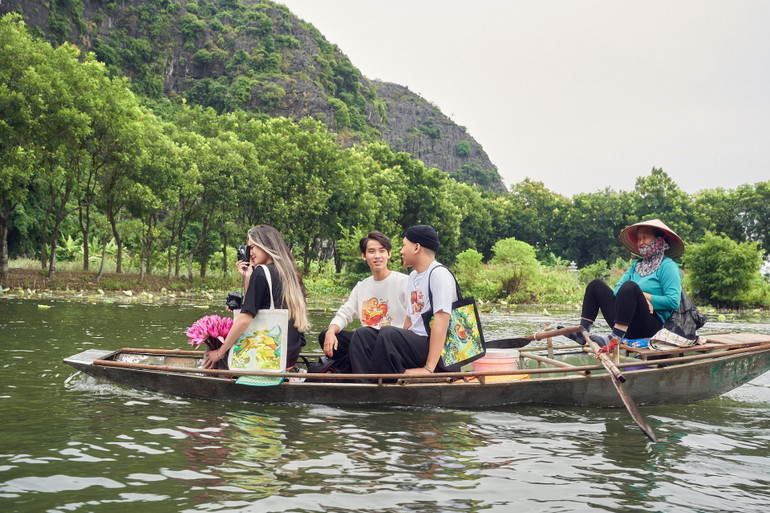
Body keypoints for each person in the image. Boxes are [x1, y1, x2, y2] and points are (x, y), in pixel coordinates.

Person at [349, 224, 457, 376]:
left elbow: (442, 321)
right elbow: (409, 318)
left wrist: (428, 368)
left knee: (387, 334)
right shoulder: (413, 276)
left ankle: (388, 383)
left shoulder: (439, 274)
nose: (401, 251)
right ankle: (365, 385)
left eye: (404, 245)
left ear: (416, 247)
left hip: (439, 352)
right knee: (363, 335)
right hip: (416, 343)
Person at [203, 225, 309, 370]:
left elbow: (246, 317)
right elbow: (256, 306)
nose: (250, 253)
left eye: (253, 247)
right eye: (248, 248)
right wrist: (248, 278)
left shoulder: (261, 272)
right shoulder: (289, 272)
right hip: (289, 353)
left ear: (266, 245)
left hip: (269, 355)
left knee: (214, 348)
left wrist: (220, 353)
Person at [564, 219, 683, 346]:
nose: (641, 242)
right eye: (638, 239)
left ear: (659, 239)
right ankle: (582, 333)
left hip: (650, 326)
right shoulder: (636, 266)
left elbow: (673, 301)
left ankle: (614, 338)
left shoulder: (668, 266)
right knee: (596, 285)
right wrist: (639, 297)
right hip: (625, 322)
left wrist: (643, 296)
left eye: (645, 237)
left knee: (630, 287)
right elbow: (618, 289)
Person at [317, 231, 409, 373]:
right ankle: (356, 367)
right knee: (326, 335)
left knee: (362, 334)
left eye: (382, 251)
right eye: (371, 251)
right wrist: (331, 331)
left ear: (389, 254)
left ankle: (361, 380)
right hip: (366, 343)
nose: (377, 256)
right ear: (364, 256)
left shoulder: (404, 282)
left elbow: (415, 319)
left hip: (393, 343)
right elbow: (345, 312)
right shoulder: (362, 286)